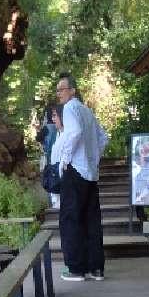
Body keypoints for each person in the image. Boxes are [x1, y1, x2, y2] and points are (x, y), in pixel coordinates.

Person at [55, 72, 109, 283]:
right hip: (90, 174)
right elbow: (103, 137)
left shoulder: (70, 108)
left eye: (62, 89)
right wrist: (93, 158)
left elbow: (75, 132)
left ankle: (76, 269)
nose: (59, 93)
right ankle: (96, 268)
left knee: (71, 219)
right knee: (92, 220)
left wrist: (66, 159)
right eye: (58, 90)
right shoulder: (87, 111)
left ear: (72, 91)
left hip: (75, 171)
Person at [48, 104, 64, 210]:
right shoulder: (57, 134)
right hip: (57, 177)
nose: (53, 119)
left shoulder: (69, 134)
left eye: (55, 116)